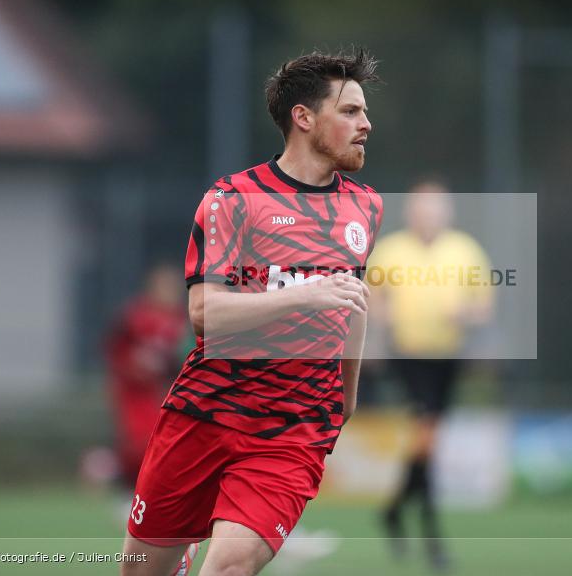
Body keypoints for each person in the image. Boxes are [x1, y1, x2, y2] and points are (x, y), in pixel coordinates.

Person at [121, 49, 383, 576]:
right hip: (203, 415)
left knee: (228, 567)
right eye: (350, 111)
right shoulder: (232, 198)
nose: (365, 124)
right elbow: (204, 314)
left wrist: (345, 400)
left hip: (293, 429)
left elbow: (350, 302)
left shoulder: (366, 206)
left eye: (364, 112)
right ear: (303, 118)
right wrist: (305, 294)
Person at [369, 178, 493, 571]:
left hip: (449, 358)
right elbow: (370, 297)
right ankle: (432, 536)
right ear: (411, 211)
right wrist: (378, 325)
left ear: (448, 212)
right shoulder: (390, 251)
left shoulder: (465, 250)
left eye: (436, 207)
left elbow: (483, 308)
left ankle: (392, 510)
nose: (429, 215)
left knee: (427, 442)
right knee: (427, 435)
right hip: (408, 356)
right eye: (423, 207)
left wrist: (466, 315)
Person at [105, 263, 188, 489]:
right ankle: (115, 474)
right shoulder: (134, 317)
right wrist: (131, 367)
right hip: (133, 389)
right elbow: (114, 349)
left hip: (162, 389)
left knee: (163, 441)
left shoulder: (183, 320)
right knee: (140, 439)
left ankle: (113, 471)